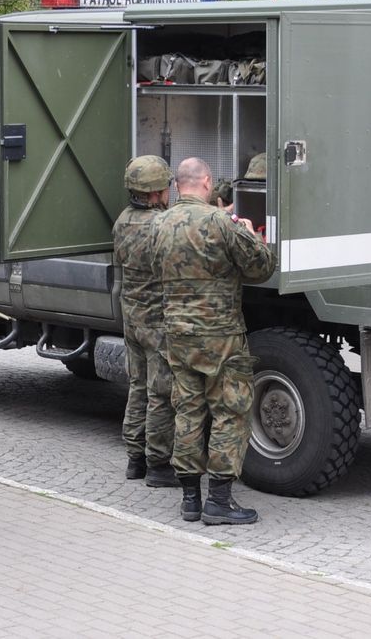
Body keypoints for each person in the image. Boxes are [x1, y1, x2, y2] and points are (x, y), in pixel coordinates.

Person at [152, 156, 275, 525]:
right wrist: (250, 233)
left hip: (177, 333)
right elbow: (261, 266)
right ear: (207, 182)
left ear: (177, 185)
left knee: (188, 410)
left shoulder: (159, 224)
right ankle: (219, 501)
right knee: (229, 411)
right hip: (220, 336)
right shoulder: (222, 223)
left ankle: (190, 499)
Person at [113, 155, 177, 488]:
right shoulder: (160, 225)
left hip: (132, 317)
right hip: (157, 320)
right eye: (166, 187)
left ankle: (135, 459)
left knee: (137, 387)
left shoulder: (123, 220)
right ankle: (158, 465)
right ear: (154, 193)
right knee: (161, 393)